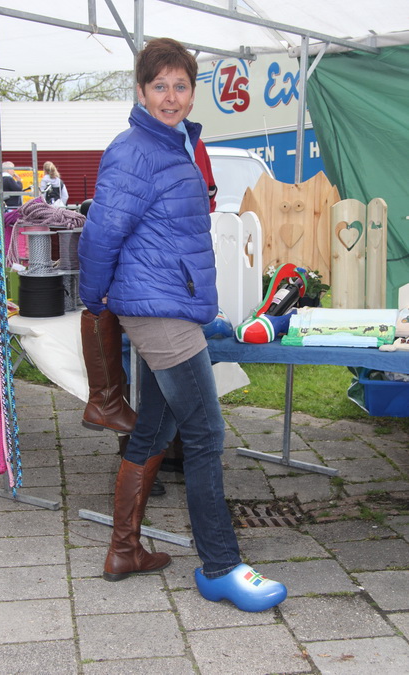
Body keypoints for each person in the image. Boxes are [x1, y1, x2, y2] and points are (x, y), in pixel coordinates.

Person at [78, 37, 287, 612]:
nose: (170, 97)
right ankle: (220, 566)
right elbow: (101, 233)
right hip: (159, 313)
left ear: (193, 93)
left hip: (173, 305)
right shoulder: (135, 150)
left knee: (154, 428)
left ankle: (124, 550)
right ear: (141, 91)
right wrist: (94, 301)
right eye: (159, 86)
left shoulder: (177, 146)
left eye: (180, 86)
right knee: (206, 435)